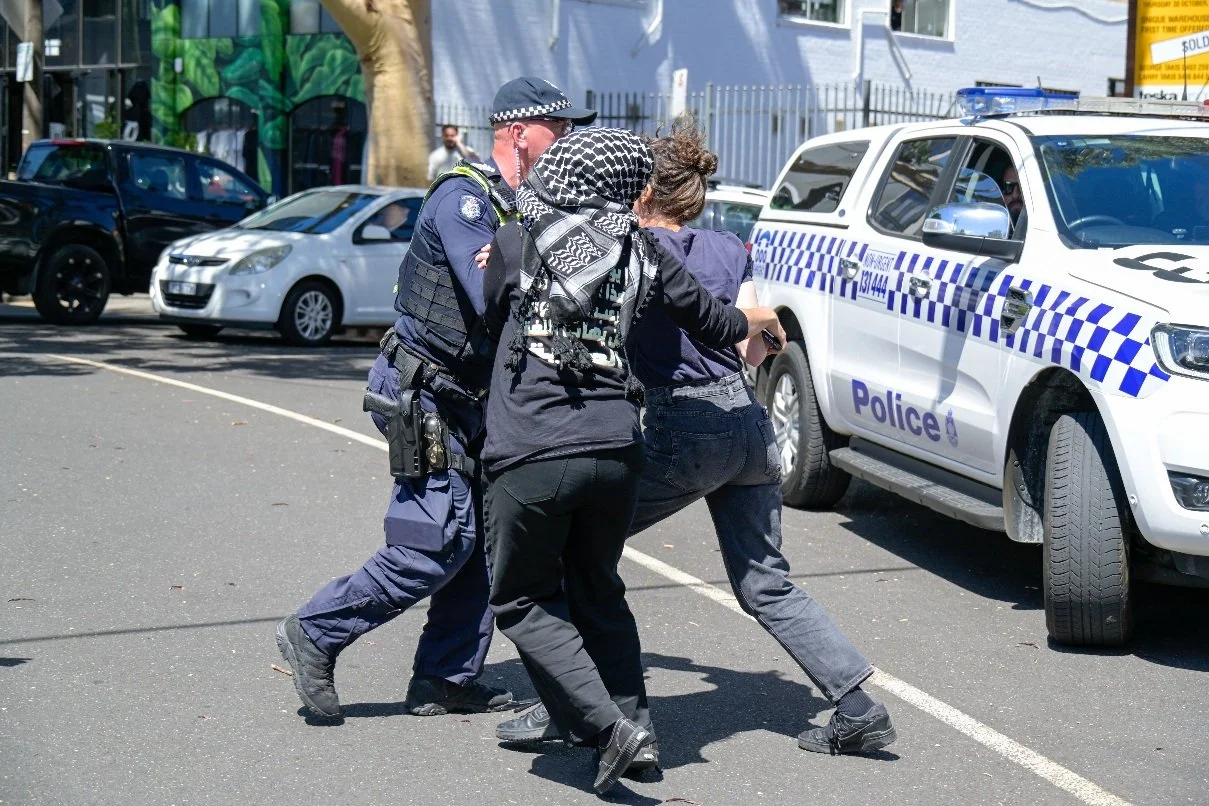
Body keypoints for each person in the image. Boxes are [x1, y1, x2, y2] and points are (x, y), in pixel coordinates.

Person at [494, 123, 897, 758]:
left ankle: (576, 714)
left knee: (577, 559)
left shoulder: (629, 246)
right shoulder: (728, 247)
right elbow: (754, 330)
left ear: (644, 190)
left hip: (681, 427)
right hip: (747, 421)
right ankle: (856, 704)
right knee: (766, 581)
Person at [274, 77, 596, 721]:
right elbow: (493, 298)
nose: (568, 141)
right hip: (423, 392)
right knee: (435, 541)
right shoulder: (465, 200)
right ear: (517, 132)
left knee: (482, 544)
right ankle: (316, 630)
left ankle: (446, 675)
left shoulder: (522, 206)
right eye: (557, 130)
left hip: (469, 400)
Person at [480, 126, 787, 794]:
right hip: (617, 448)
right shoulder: (643, 251)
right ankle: (637, 737)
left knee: (524, 600)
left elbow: (490, 317)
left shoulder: (515, 242)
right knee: (600, 593)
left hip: (531, 447)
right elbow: (715, 321)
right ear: (625, 186)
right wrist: (760, 320)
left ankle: (604, 727)